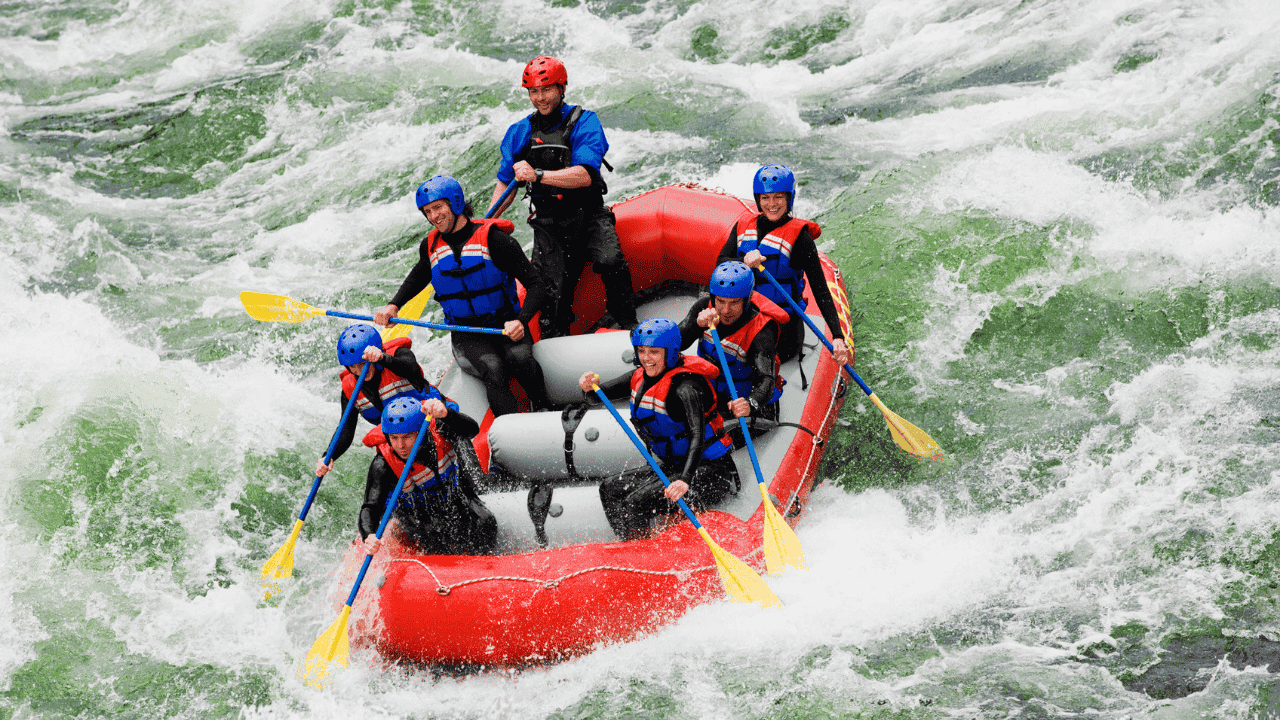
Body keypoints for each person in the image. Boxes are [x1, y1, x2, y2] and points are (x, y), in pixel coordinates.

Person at [373, 175, 551, 417]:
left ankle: (544, 408)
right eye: (427, 211)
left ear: (456, 203)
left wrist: (521, 320)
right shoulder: (430, 247)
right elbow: (417, 278)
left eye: (438, 207)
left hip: (505, 323)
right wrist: (393, 306)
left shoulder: (496, 241)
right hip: (466, 333)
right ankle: (509, 429)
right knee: (493, 368)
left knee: (520, 359)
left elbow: (536, 284)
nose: (433, 216)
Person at [488, 54, 637, 337]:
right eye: (533, 91)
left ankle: (627, 323)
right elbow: (505, 185)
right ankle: (555, 341)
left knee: (610, 260)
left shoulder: (585, 122)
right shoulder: (519, 132)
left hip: (588, 215)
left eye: (546, 90)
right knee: (550, 296)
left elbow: (584, 175)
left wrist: (538, 175)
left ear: (562, 88)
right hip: (549, 224)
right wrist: (484, 224)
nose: (539, 98)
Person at [577, 318, 739, 541]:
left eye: (654, 352)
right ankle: (630, 545)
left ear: (670, 353)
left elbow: (697, 437)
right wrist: (588, 386)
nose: (646, 358)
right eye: (641, 351)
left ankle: (640, 552)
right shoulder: (640, 375)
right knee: (609, 488)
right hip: (674, 466)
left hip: (709, 471)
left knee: (635, 502)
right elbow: (598, 395)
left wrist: (684, 480)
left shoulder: (686, 388)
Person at [718, 164, 851, 367]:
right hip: (745, 316)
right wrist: (744, 262)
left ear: (789, 198)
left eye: (778, 197)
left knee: (755, 354)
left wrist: (838, 337)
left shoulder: (801, 239)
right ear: (758, 199)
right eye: (765, 198)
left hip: (783, 326)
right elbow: (721, 262)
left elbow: (821, 291)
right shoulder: (743, 225)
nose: (772, 204)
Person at [357, 396, 496, 556]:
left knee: (486, 522)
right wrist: (368, 535)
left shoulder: (441, 430)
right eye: (394, 438)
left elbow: (472, 430)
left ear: (420, 433)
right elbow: (371, 507)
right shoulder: (383, 464)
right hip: (414, 515)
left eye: (407, 437)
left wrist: (447, 414)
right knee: (438, 535)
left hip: (451, 499)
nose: (400, 446)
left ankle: (487, 561)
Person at [315, 323, 455, 478]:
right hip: (400, 440)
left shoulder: (399, 355)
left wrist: (383, 358)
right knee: (381, 464)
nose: (359, 371)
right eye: (352, 366)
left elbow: (411, 369)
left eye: (362, 364)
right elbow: (346, 428)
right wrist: (328, 456)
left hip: (432, 419)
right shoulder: (350, 390)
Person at [675, 261, 788, 425]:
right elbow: (674, 346)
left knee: (713, 436)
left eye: (734, 302)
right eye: (720, 301)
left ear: (746, 300)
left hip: (744, 401)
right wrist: (696, 326)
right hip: (712, 392)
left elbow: (766, 380)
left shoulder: (762, 330)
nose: (726, 310)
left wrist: (750, 404)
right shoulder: (703, 308)